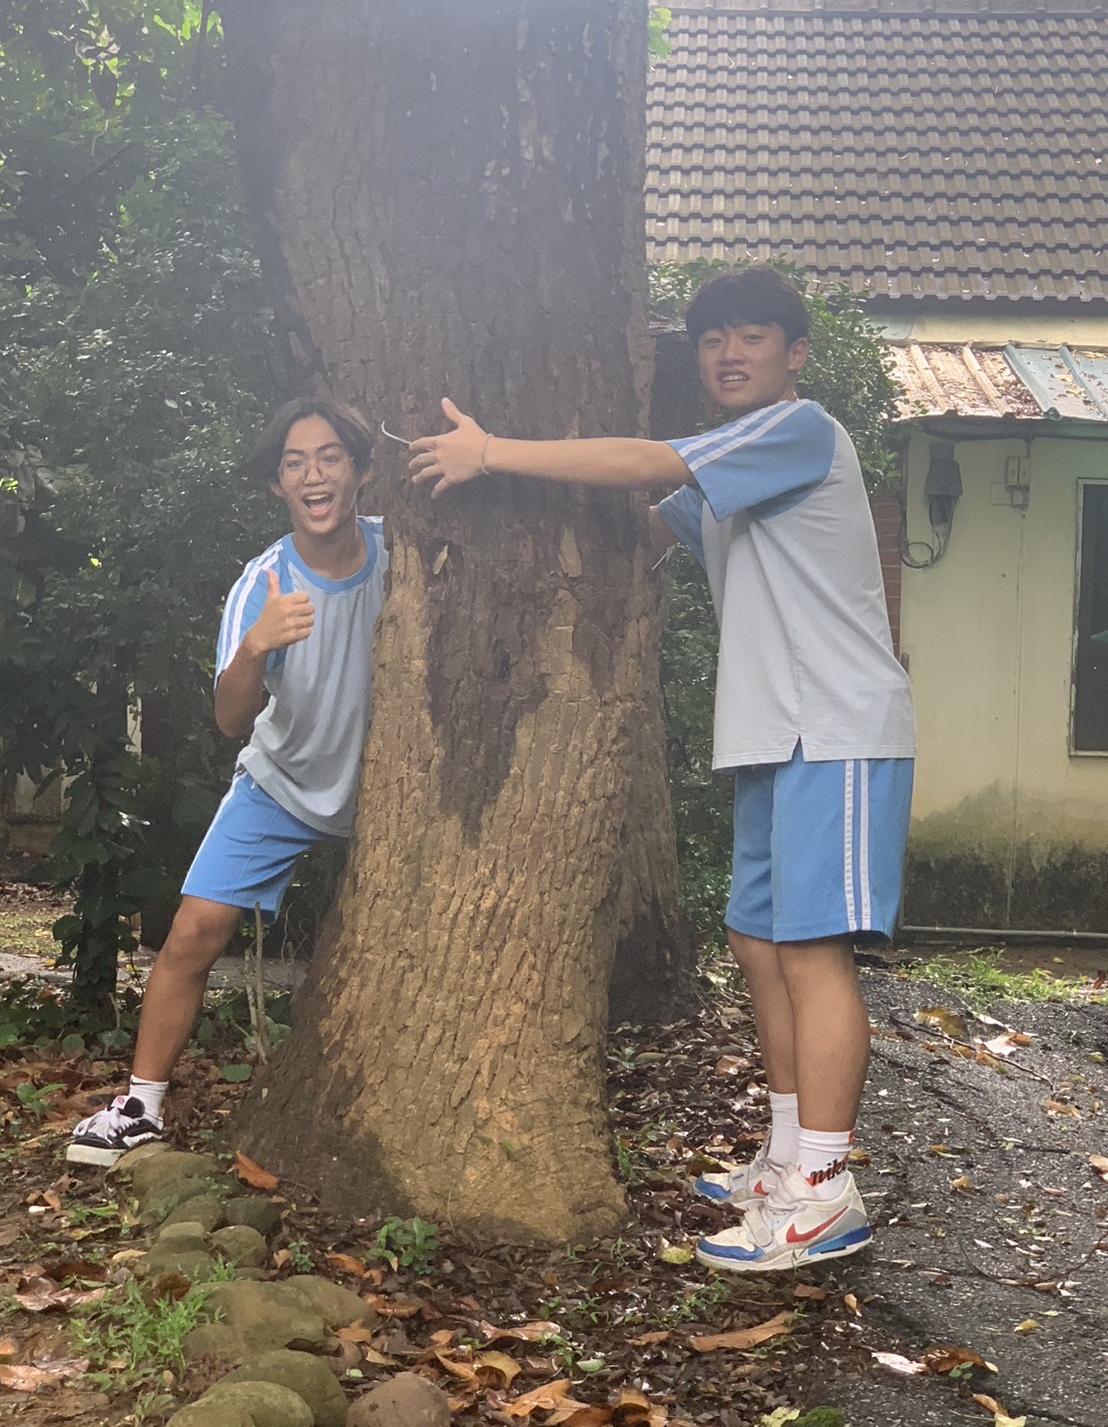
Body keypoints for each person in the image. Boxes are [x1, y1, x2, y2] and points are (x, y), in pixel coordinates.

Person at [408, 267, 915, 1271]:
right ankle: (785, 1156)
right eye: (713, 339)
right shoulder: (731, 477)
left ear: (794, 354)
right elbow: (640, 521)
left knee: (812, 953)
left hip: (839, 727)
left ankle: (824, 1190)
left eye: (751, 336)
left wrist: (491, 452)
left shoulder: (797, 430)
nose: (729, 353)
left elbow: (650, 462)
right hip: (773, 734)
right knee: (757, 940)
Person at [67, 398, 387, 1166]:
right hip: (280, 784)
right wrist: (256, 646)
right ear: (278, 484)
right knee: (194, 929)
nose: (313, 475)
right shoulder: (262, 582)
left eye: (330, 456)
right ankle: (140, 1106)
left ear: (360, 470)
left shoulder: (400, 554)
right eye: (294, 463)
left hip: (390, 789)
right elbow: (230, 718)